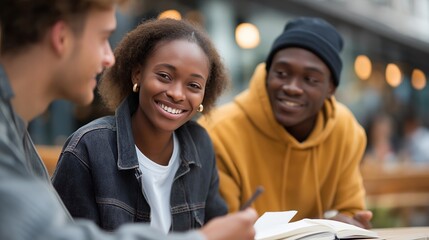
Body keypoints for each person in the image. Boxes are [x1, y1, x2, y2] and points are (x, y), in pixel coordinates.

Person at [0, 0, 257, 239]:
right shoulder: (87, 147)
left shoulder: (15, 132)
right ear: (61, 37)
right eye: (103, 38)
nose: (109, 57)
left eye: (193, 84)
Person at [52, 18, 228, 233]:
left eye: (193, 85)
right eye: (164, 76)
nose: (177, 94)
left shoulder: (200, 145)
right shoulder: (88, 148)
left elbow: (216, 227)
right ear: (138, 74)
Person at [198, 17, 372, 229]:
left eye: (310, 79)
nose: (292, 87)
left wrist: (352, 223)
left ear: (331, 89)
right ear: (267, 74)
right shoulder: (219, 131)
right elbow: (222, 227)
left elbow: (351, 211)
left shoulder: (346, 130)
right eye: (281, 73)